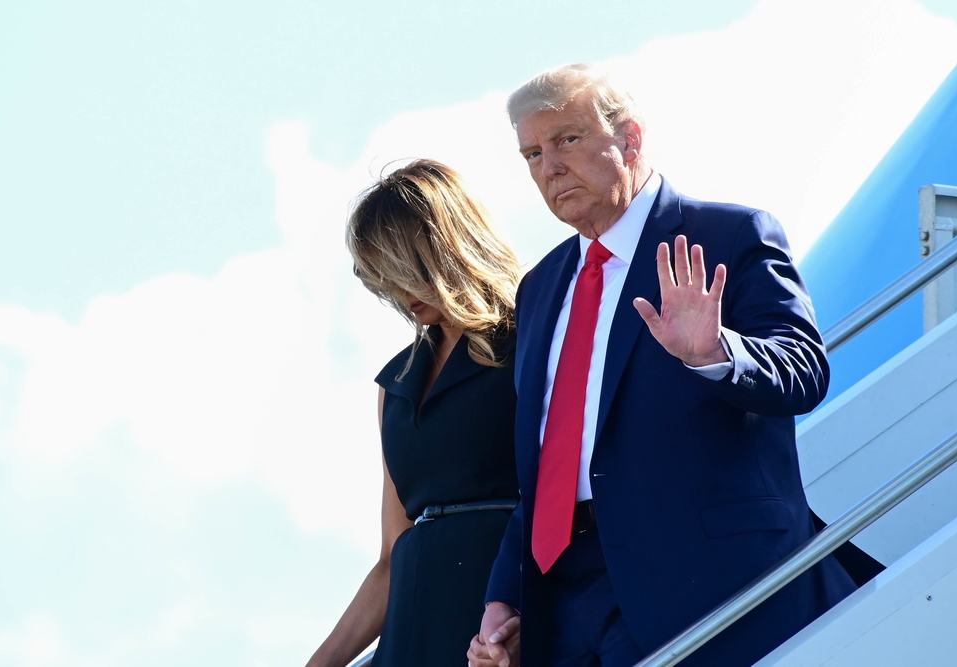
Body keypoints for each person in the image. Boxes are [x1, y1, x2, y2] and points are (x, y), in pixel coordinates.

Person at [468, 64, 857, 667]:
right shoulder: (541, 286)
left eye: (567, 139)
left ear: (630, 138)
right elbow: (549, 462)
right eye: (532, 153)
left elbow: (804, 369)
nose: (550, 166)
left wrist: (718, 353)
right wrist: (506, 596)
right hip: (565, 600)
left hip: (702, 579)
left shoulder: (728, 234)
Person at [305, 159, 521, 667]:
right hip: (411, 631)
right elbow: (390, 557)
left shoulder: (533, 332)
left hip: (503, 619)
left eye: (405, 270)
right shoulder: (395, 382)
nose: (399, 292)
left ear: (448, 245)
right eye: (383, 277)